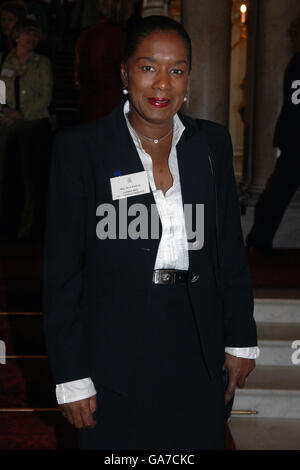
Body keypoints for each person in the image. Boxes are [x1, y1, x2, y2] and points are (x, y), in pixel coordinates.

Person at [43, 16, 259, 450]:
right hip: (112, 353)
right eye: (148, 67)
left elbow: (229, 253)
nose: (163, 83)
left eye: (177, 70)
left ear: (188, 78)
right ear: (125, 73)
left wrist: (241, 339)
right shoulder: (82, 150)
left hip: (196, 344)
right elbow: (61, 274)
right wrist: (71, 374)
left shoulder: (211, 145)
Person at [246, 17, 300, 254]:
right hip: (294, 138)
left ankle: (259, 239)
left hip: (291, 137)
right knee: (277, 193)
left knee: (276, 193)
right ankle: (259, 239)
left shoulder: (296, 62)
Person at [0, 18, 53, 239]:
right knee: (5, 175)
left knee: (30, 178)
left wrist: (22, 114)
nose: (31, 39)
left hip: (33, 125)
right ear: (17, 36)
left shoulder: (42, 63)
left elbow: (45, 96)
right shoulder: (4, 60)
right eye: (27, 34)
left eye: (34, 35)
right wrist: (5, 112)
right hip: (7, 124)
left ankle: (29, 228)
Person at [74, 0, 139, 122]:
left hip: (90, 105)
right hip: (118, 105)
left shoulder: (87, 36)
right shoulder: (126, 38)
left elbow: (79, 76)